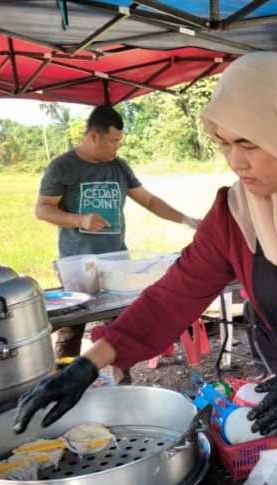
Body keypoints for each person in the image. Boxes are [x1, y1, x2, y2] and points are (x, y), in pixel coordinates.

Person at [15, 53, 277, 442]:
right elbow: (172, 298)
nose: (235, 162)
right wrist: (89, 363)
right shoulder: (234, 214)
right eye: (224, 143)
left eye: (249, 144)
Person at [35, 104, 199, 383]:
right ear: (93, 136)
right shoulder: (63, 167)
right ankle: (62, 381)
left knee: (120, 324)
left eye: (119, 141)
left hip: (116, 261)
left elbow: (149, 201)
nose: (117, 147)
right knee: (73, 326)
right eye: (113, 141)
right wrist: (80, 219)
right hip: (77, 263)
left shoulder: (119, 167)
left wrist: (187, 219)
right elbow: (43, 209)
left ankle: (123, 381)